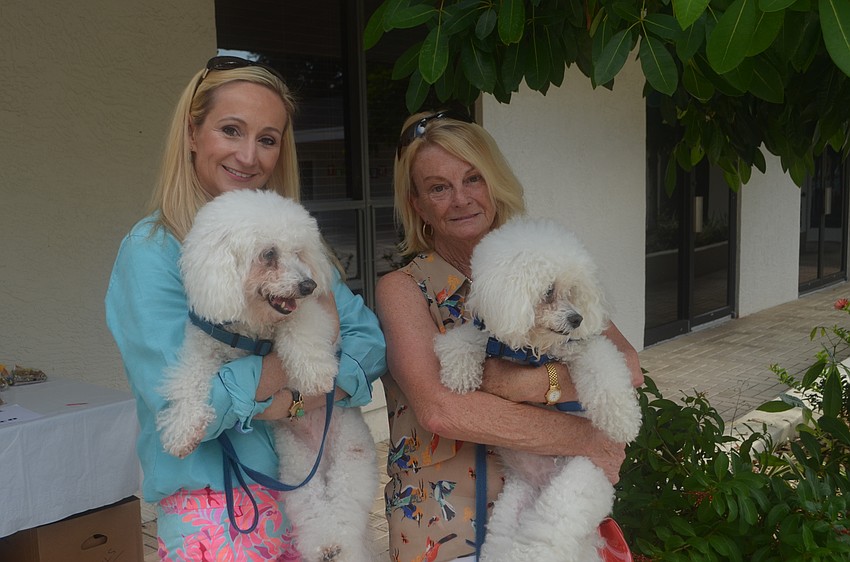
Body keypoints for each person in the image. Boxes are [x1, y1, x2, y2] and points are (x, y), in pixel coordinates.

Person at [105, 56, 386, 560]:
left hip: (312, 490)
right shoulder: (151, 252)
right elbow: (186, 409)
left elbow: (366, 342)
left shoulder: (293, 241)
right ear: (193, 133)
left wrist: (297, 401)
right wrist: (288, 382)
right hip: (214, 507)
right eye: (231, 130)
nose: (249, 156)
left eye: (268, 138)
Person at [376, 110, 644, 562]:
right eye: (439, 187)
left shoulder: (544, 263)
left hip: (551, 515)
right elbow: (443, 409)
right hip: (445, 527)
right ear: (418, 204)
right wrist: (586, 441)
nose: (460, 199)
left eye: (473, 179)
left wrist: (524, 383)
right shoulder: (405, 289)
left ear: (494, 183)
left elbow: (629, 365)